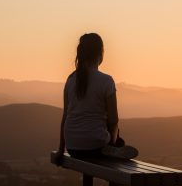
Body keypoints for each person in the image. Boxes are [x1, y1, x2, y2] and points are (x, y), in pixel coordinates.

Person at [54, 33, 138, 165]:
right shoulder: (106, 81)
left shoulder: (70, 80)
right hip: (96, 146)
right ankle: (114, 148)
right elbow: (114, 120)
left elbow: (65, 117)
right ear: (101, 53)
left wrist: (60, 150)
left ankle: (113, 147)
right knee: (118, 138)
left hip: (72, 147)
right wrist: (113, 141)